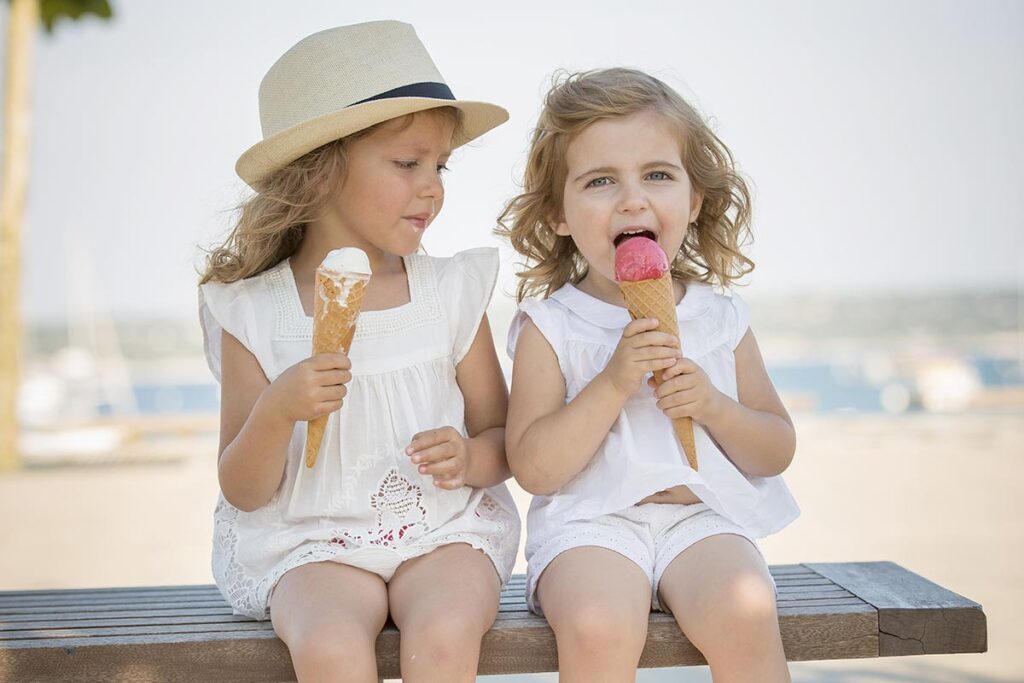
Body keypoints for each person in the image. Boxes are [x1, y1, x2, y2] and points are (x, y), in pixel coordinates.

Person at [197, 21, 520, 683]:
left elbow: (502, 434)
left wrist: (469, 457)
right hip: (311, 541)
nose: (432, 186)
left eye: (440, 165)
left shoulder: (447, 293)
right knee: (328, 644)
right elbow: (243, 488)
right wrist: (276, 411)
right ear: (321, 171)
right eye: (408, 163)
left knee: (445, 630)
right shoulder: (256, 313)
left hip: (442, 531)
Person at [498, 68, 800, 682]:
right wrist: (611, 383)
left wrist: (714, 406)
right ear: (558, 213)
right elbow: (534, 468)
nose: (632, 199)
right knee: (598, 625)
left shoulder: (717, 317)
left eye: (657, 175)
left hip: (702, 518)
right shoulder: (552, 326)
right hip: (590, 524)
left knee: (747, 610)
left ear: (694, 200)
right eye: (601, 180)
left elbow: (775, 450)